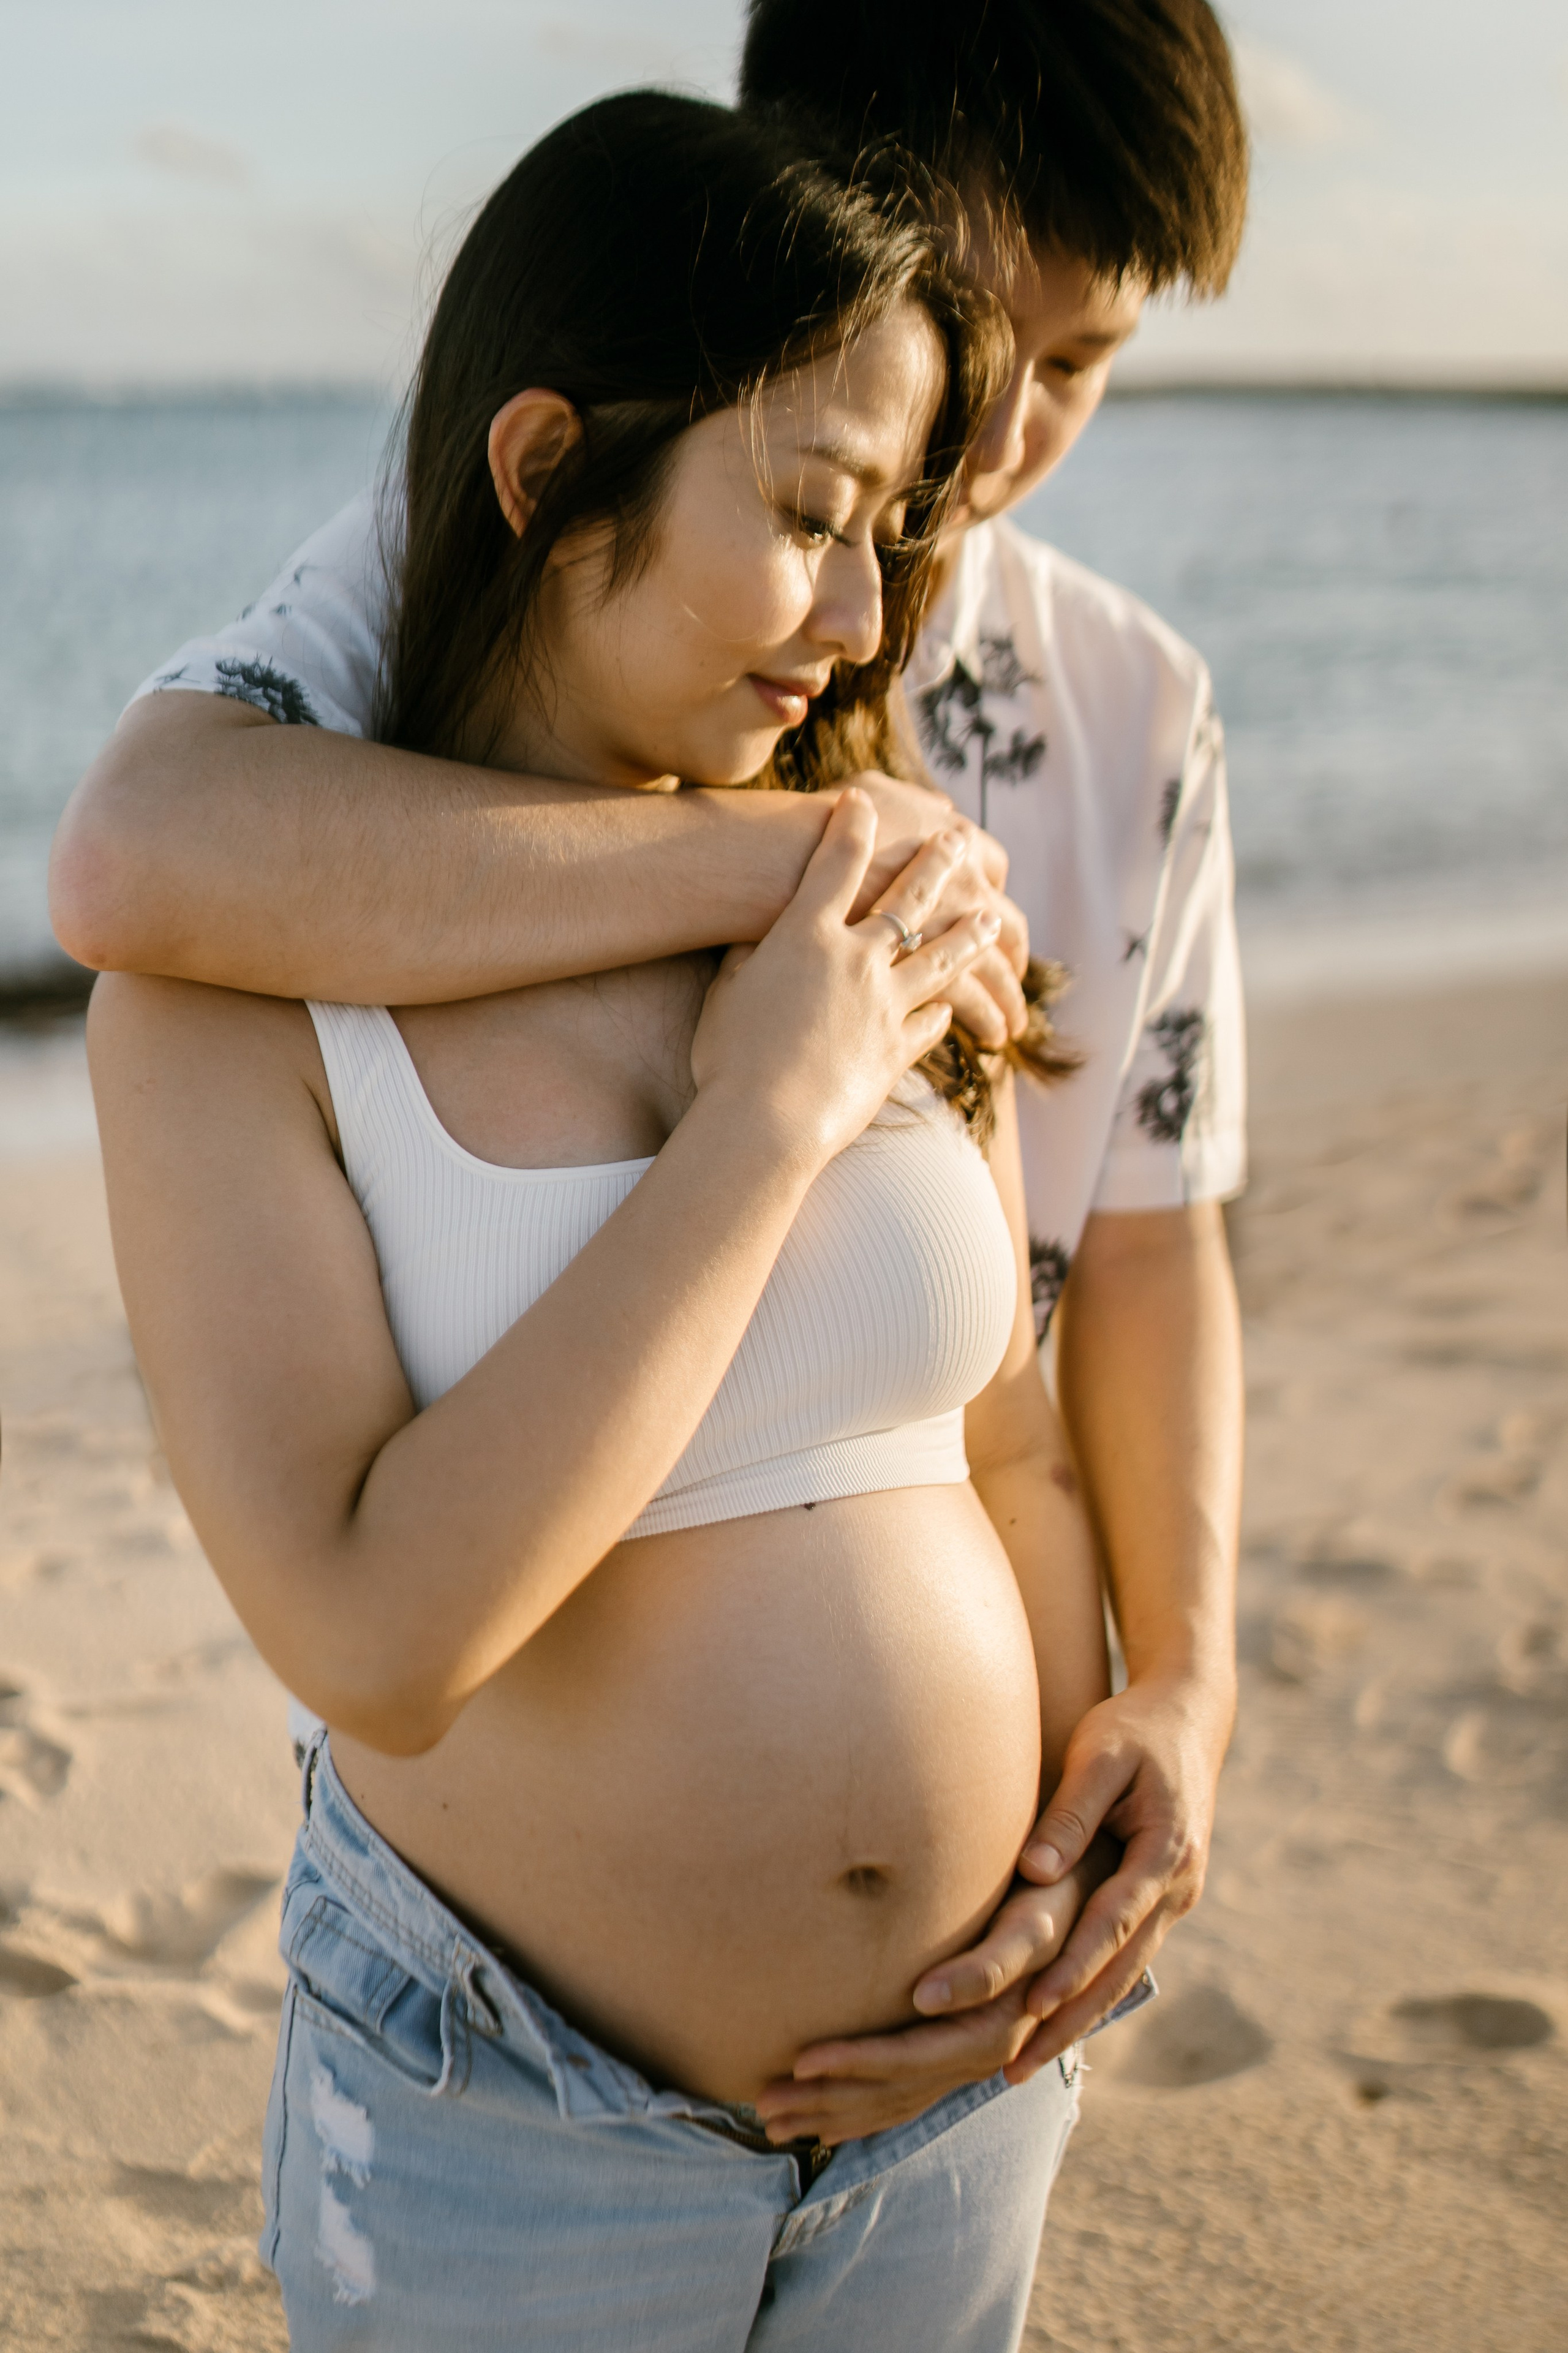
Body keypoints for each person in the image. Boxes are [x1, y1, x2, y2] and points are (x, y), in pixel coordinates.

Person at [53, 0, 1248, 2101]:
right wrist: (794, 856)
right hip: (525, 2015)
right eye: (978, 325)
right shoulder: (501, 558)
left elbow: (1143, 1246)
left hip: (959, 1979)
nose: (994, 435)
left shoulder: (1134, 707)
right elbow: (140, 856)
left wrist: (1179, 1693)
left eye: (1076, 366)